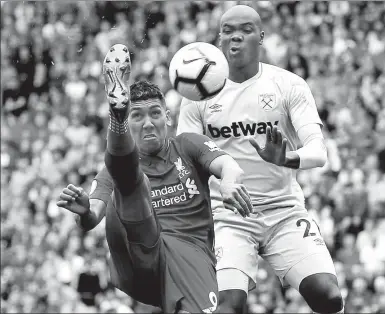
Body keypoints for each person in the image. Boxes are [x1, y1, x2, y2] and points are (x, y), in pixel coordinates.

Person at [57, 44, 253, 314]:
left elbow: (228, 165)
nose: (148, 123)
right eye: (136, 115)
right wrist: (83, 211)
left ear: (168, 117)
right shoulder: (110, 172)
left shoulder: (188, 145)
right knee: (130, 179)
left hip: (189, 256)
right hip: (136, 257)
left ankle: (119, 120)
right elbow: (90, 218)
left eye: (155, 113)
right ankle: (117, 118)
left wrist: (229, 181)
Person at [177, 5, 344, 314]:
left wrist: (288, 157)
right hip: (228, 216)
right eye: (227, 31)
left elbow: (318, 152)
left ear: (262, 37)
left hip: (283, 210)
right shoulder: (196, 95)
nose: (235, 38)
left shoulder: (288, 85)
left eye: (245, 30)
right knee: (228, 306)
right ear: (219, 38)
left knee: (329, 297)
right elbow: (186, 158)